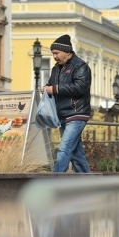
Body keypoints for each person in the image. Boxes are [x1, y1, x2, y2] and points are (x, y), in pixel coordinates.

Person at [44, 34, 92, 173]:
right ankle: (87, 182)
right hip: (62, 115)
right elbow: (52, 84)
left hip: (77, 114)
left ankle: (55, 180)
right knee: (76, 154)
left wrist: (55, 89)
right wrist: (47, 88)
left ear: (68, 52)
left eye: (56, 53)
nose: (54, 56)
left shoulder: (81, 66)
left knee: (64, 148)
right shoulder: (56, 69)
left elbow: (80, 87)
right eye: (53, 53)